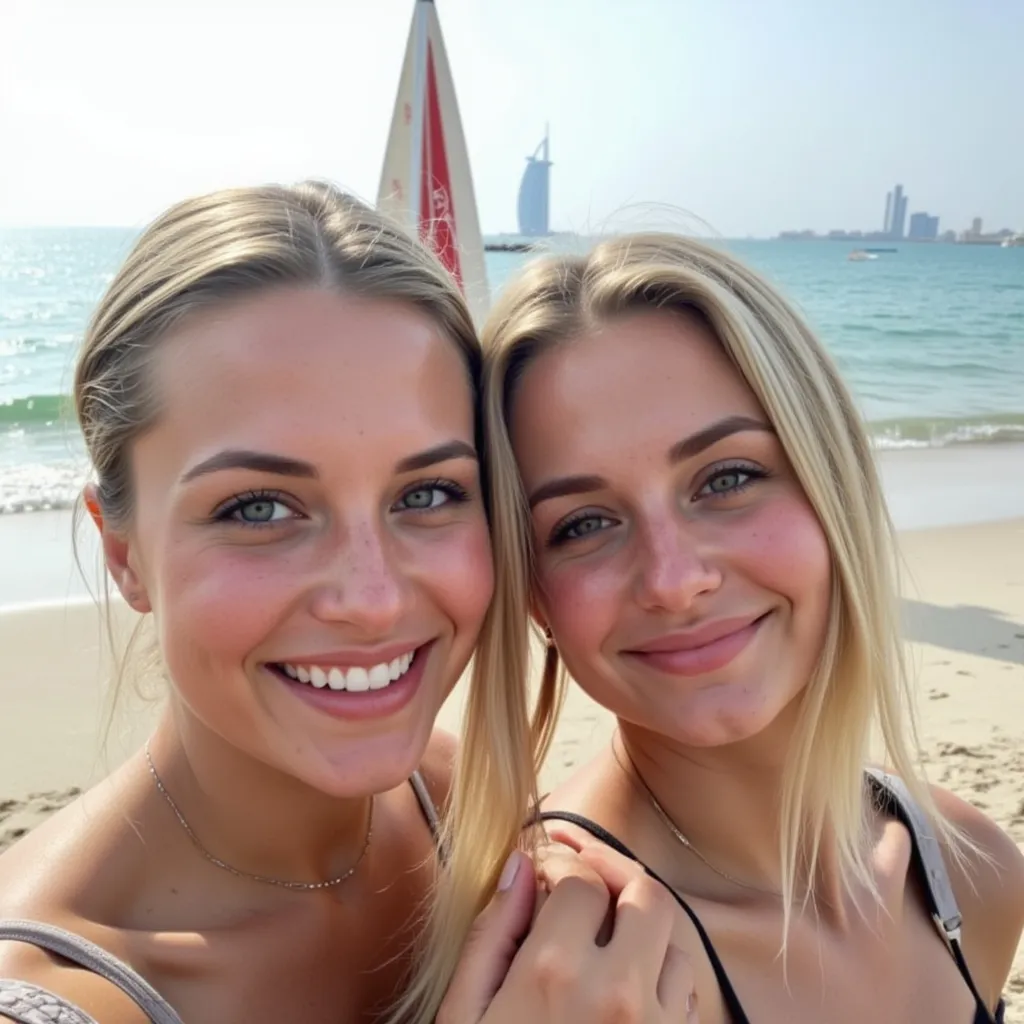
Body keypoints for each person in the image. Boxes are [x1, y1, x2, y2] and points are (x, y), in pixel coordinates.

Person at [0, 186, 695, 1024]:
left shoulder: (454, 801)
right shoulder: (56, 992)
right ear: (124, 553)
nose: (370, 600)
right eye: (258, 507)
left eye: (430, 492)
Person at [454, 232, 1024, 1023]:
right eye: (582, 524)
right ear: (534, 599)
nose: (675, 580)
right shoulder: (565, 971)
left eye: (727, 478)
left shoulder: (973, 872)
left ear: (834, 485)